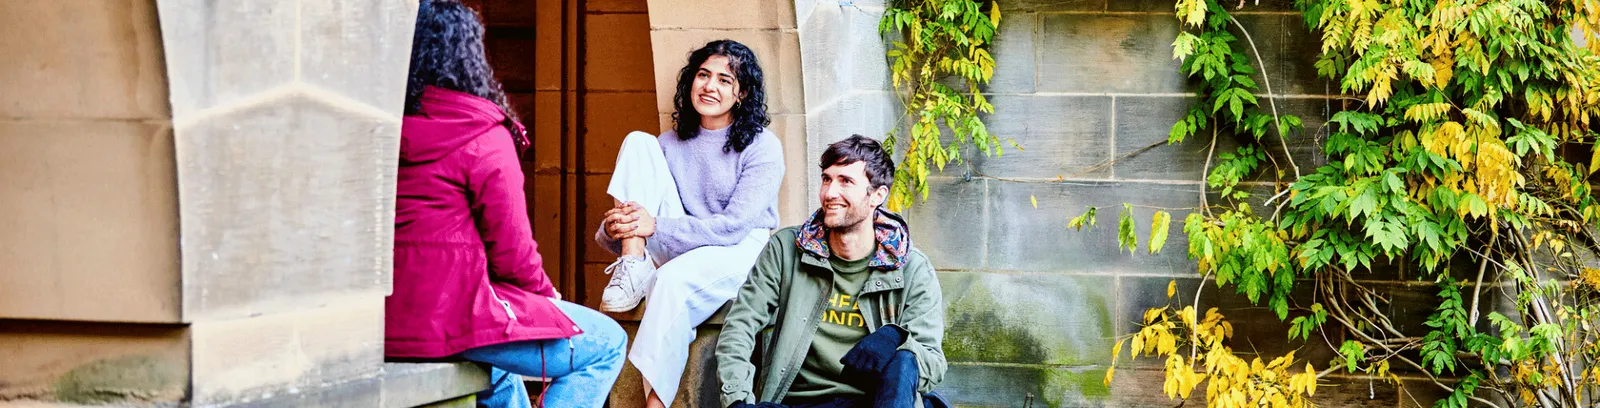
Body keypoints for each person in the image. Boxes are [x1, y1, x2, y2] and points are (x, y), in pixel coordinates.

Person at [386, 1, 625, 407]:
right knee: (607, 343)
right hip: (451, 318)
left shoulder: (378, 126)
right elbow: (512, 252)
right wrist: (549, 300)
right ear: (469, 54)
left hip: (381, 321)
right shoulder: (481, 133)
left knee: (499, 375)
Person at [594, 39, 785, 408]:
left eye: (725, 80)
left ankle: (655, 405)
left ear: (742, 93)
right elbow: (646, 222)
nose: (710, 86)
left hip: (739, 250)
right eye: (703, 75)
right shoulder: (667, 144)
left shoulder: (763, 146)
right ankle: (633, 264)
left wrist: (655, 228)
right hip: (681, 240)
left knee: (670, 280)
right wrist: (616, 230)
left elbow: (732, 227)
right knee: (637, 141)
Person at [714, 135, 948, 408]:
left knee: (905, 359)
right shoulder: (786, 249)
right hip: (799, 403)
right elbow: (740, 326)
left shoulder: (911, 268)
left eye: (846, 181)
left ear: (877, 195)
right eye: (827, 179)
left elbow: (933, 364)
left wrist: (896, 337)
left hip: (874, 402)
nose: (830, 193)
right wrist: (737, 400)